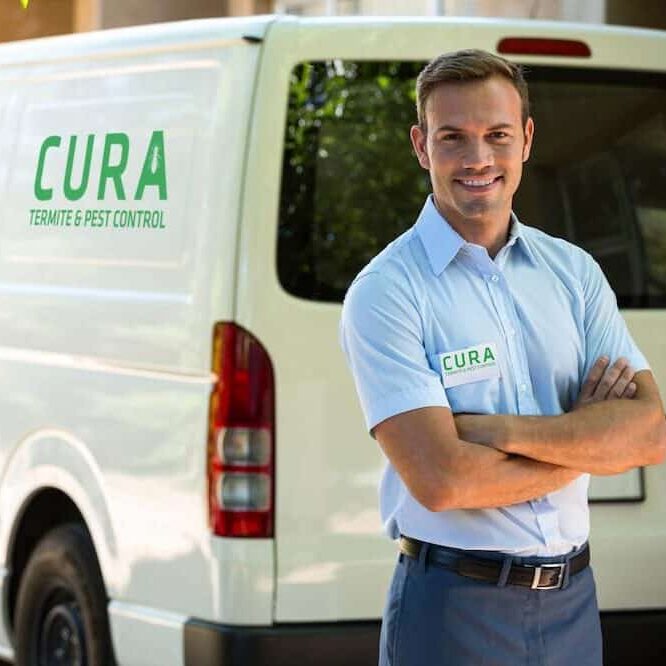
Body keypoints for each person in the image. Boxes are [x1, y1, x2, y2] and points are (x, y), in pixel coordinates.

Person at [339, 49, 666, 666]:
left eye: (497, 135)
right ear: (420, 145)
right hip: (454, 610)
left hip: (573, 603)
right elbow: (442, 481)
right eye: (453, 138)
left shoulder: (574, 274)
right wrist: (589, 446)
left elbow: (649, 435)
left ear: (527, 139)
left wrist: (494, 434)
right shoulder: (387, 292)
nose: (478, 159)